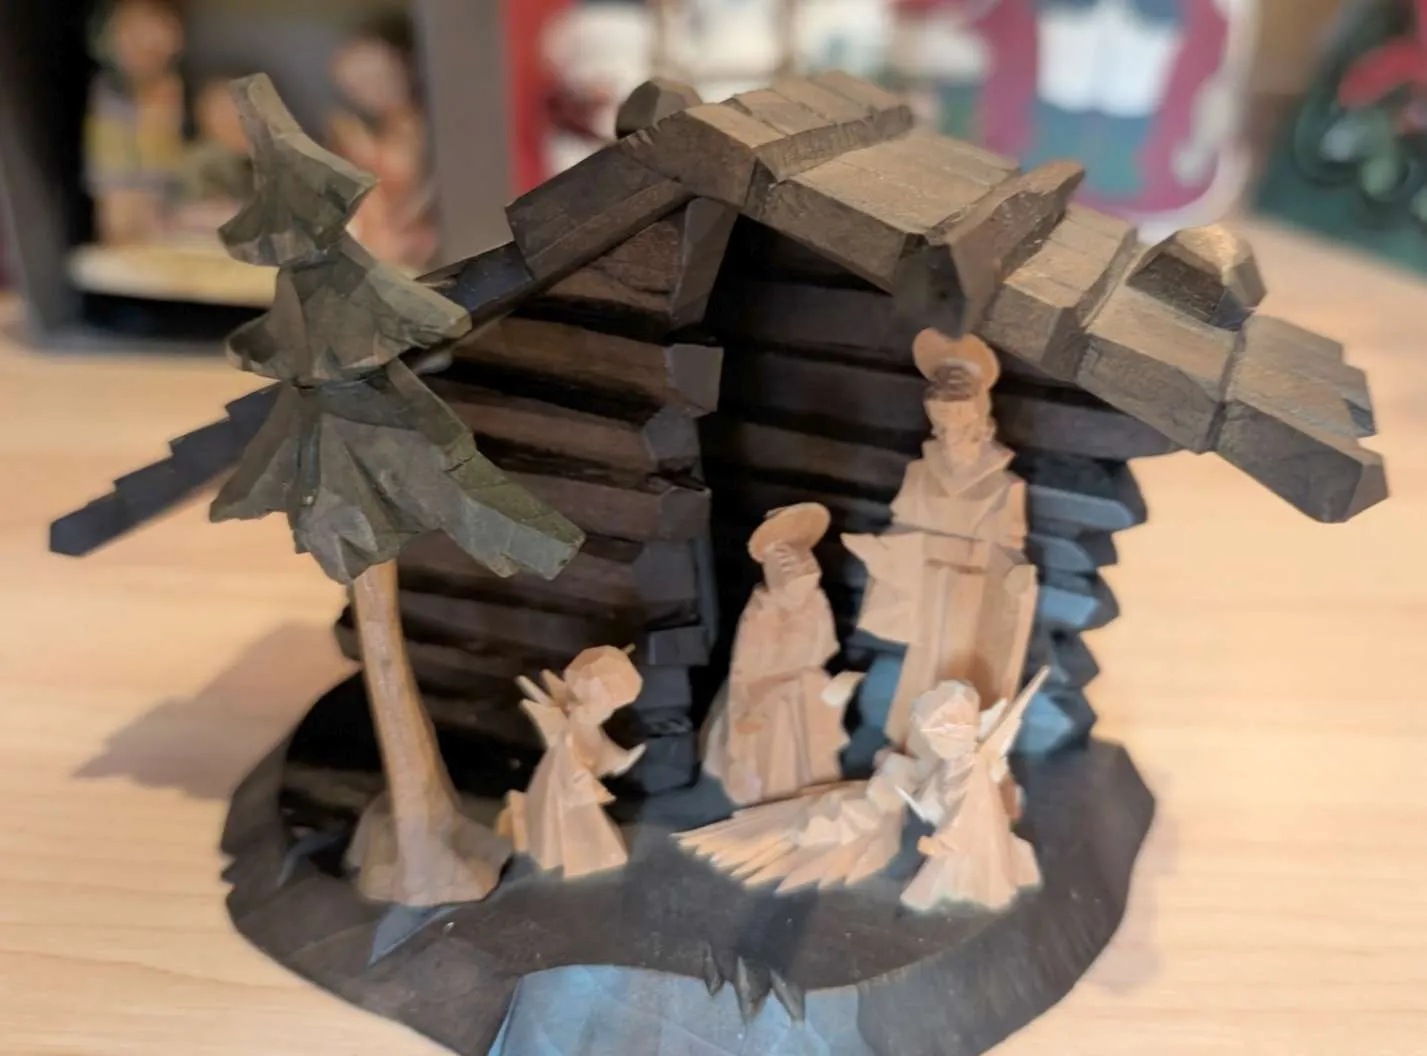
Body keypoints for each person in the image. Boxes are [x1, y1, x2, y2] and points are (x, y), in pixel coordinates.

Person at [845, 329, 1038, 747]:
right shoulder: (920, 473)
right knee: (923, 668)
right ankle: (911, 742)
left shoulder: (1004, 484)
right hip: (929, 588)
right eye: (942, 426)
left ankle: (953, 750)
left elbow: (1010, 552)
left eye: (959, 426)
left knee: (960, 671)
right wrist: (881, 551)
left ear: (979, 420)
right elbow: (905, 530)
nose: (950, 437)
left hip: (972, 593)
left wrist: (1012, 581)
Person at [702, 503, 858, 806]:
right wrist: (755, 702)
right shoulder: (762, 613)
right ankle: (778, 790)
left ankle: (814, 782)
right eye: (789, 565)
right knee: (778, 739)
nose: (802, 568)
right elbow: (747, 671)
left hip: (807, 687)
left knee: (815, 704)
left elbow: (821, 648)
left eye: (804, 562)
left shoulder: (815, 601)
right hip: (770, 695)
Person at [500, 647, 647, 879]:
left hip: (578, 751)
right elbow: (578, 743)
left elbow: (594, 738)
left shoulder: (587, 712)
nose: (609, 708)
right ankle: (582, 853)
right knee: (575, 809)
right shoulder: (583, 714)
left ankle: (616, 761)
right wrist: (584, 774)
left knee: (573, 799)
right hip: (570, 764)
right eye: (609, 702)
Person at [84, 0, 187, 244]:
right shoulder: (108, 101)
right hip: (138, 240)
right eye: (129, 29)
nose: (145, 37)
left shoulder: (178, 90)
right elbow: (118, 220)